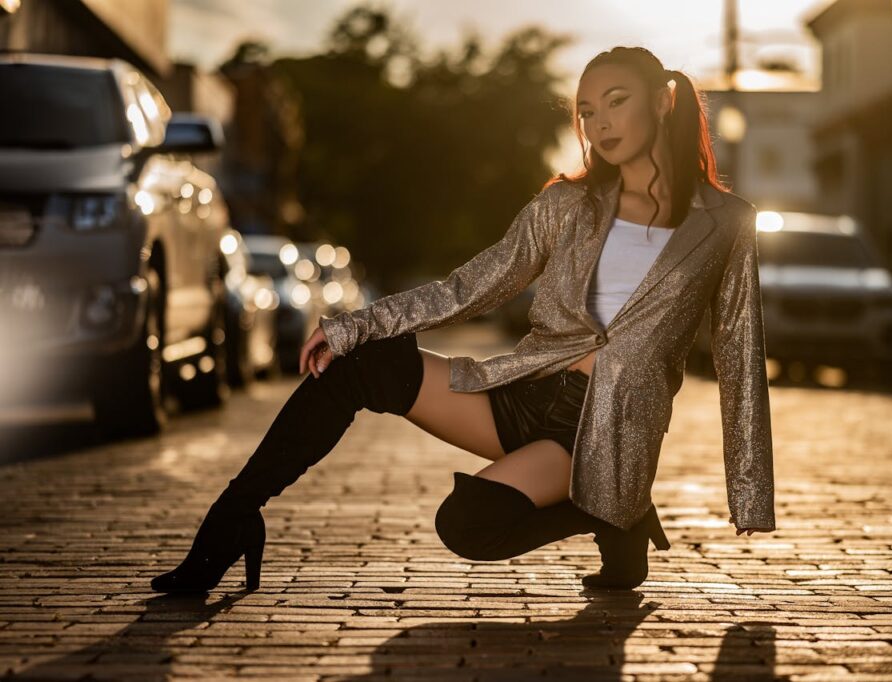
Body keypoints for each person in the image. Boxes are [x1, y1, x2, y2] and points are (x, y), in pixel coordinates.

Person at [150, 46, 775, 595]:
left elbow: (739, 355)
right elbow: (469, 288)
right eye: (587, 110)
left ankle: (615, 510)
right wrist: (355, 326)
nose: (601, 122)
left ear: (664, 101)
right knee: (359, 368)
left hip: (599, 432)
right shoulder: (565, 204)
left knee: (468, 524)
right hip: (522, 394)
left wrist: (749, 491)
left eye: (617, 101)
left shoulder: (725, 223)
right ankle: (231, 522)